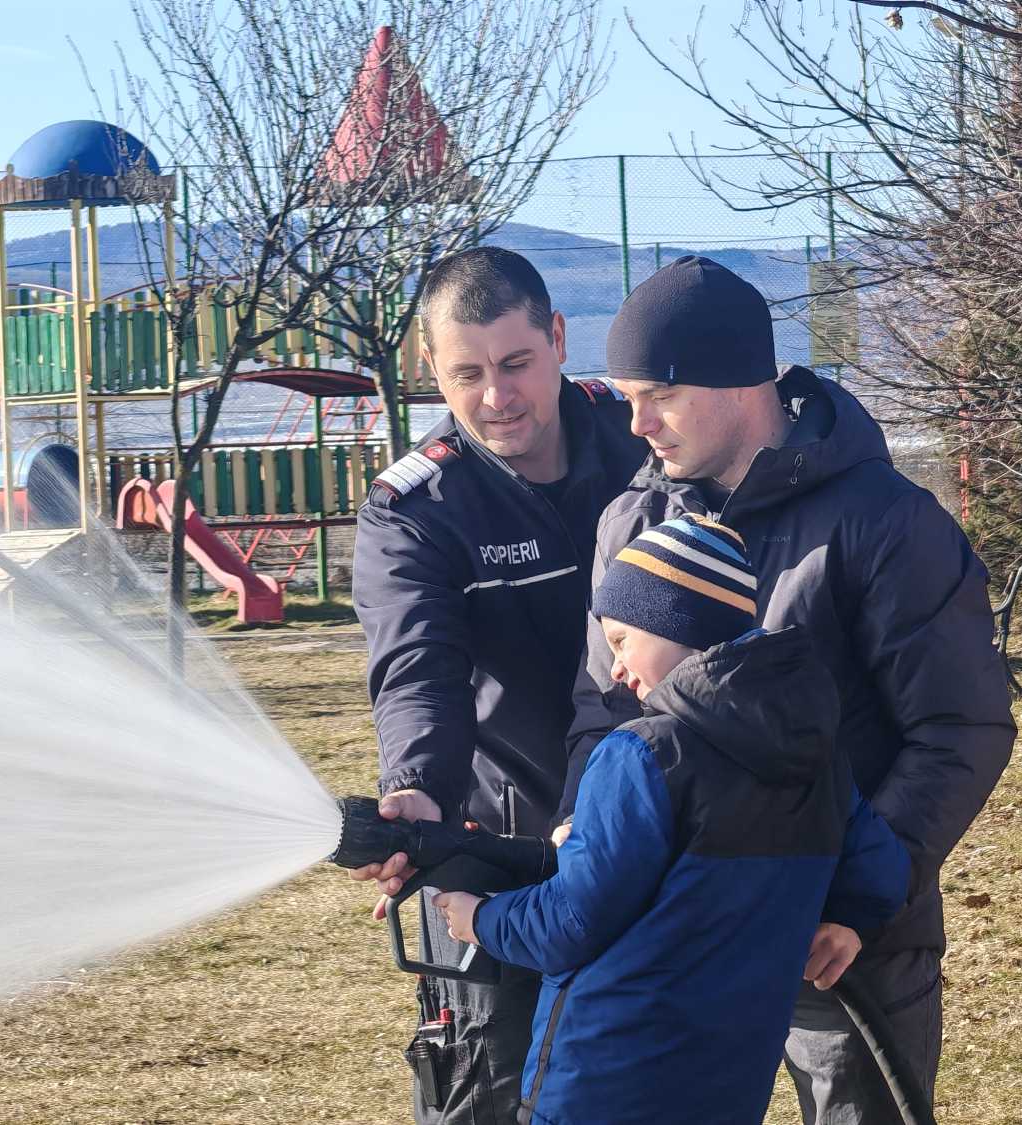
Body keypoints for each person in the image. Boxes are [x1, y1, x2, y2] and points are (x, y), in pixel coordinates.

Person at [568, 256, 1017, 1122]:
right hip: (675, 936)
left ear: (739, 381)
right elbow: (604, 709)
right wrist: (593, 837)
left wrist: (858, 897)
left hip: (843, 946)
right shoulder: (631, 518)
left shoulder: (886, 522)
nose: (637, 424)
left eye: (656, 393)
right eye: (625, 397)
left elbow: (960, 727)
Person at [434, 515, 909, 1124]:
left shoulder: (643, 754)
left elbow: (572, 922)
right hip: (729, 1087)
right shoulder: (814, 751)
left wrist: (480, 918)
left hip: (608, 1084)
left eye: (622, 640)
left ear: (676, 621)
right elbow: (880, 866)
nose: (618, 671)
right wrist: (849, 922)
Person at [348, 246, 647, 1123]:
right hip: (499, 842)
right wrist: (416, 789)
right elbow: (416, 668)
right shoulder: (416, 509)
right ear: (429, 368)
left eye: (517, 363)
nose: (497, 396)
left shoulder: (643, 442)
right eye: (467, 373)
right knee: (486, 1086)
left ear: (558, 338)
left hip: (655, 821)